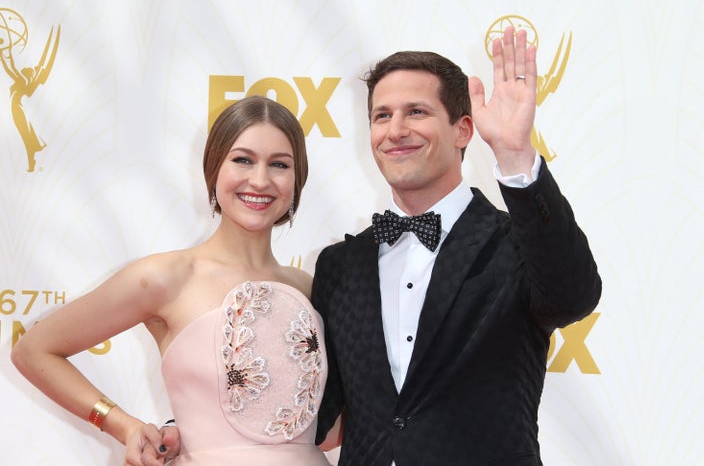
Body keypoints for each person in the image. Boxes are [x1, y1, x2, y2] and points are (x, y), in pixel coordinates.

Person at [136, 25, 601, 465]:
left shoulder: (514, 244)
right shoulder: (342, 266)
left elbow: (573, 295)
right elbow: (312, 403)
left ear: (463, 129)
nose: (395, 129)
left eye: (416, 112)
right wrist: (195, 426)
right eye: (382, 115)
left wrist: (516, 156)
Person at [11, 96, 334, 465]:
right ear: (214, 169)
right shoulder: (166, 278)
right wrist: (124, 425)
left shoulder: (308, 288)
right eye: (243, 159)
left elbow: (335, 424)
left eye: (279, 164)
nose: (260, 180)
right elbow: (33, 351)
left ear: (298, 179)